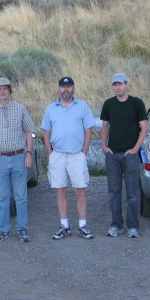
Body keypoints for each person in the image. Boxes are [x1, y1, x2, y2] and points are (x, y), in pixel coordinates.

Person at [40, 77, 96, 240]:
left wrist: (83, 153)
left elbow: (88, 131)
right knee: (61, 190)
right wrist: (51, 153)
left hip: (76, 155)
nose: (66, 89)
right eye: (63, 87)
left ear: (73, 89)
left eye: (68, 87)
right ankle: (64, 226)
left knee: (80, 190)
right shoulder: (51, 108)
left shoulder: (82, 107)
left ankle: (82, 226)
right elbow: (46, 133)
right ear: (58, 89)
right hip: (57, 154)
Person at [0, 78, 35, 243]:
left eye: (5, 88)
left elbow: (29, 131)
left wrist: (29, 153)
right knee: (2, 197)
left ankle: (22, 228)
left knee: (21, 196)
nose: (2, 92)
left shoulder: (20, 109)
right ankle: (4, 229)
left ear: (10, 90)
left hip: (19, 157)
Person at [100, 73, 148, 238]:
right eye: (115, 84)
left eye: (120, 84)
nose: (118, 87)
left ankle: (133, 226)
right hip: (113, 155)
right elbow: (105, 126)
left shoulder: (136, 103)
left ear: (126, 84)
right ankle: (116, 225)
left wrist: (135, 149)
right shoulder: (109, 104)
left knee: (132, 193)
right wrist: (104, 146)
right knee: (114, 192)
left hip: (130, 155)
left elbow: (144, 127)